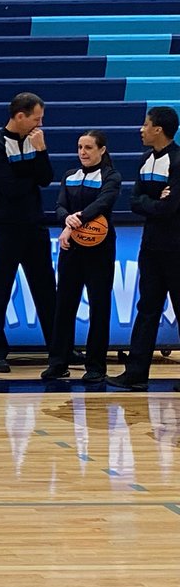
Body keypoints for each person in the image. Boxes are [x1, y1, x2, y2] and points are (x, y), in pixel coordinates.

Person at [0, 92, 56, 373]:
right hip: (5, 227)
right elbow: (9, 187)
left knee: (47, 289)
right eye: (36, 118)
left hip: (34, 225)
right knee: (0, 288)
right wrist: (31, 172)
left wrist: (41, 151)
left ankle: (58, 347)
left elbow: (46, 178)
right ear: (20, 116)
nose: (40, 123)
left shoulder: (35, 141)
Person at [107, 106, 180, 390]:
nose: (141, 129)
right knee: (146, 308)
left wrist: (151, 205)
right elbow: (134, 200)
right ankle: (136, 374)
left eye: (145, 124)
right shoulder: (145, 158)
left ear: (158, 129)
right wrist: (154, 204)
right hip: (150, 246)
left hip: (176, 247)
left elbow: (171, 207)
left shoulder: (178, 160)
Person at [41, 130, 121, 384]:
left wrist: (73, 223)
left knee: (99, 307)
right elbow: (60, 205)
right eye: (79, 147)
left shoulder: (112, 176)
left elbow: (102, 205)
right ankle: (58, 361)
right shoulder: (69, 176)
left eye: (88, 147)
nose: (83, 152)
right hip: (72, 251)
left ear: (102, 150)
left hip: (99, 251)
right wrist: (66, 218)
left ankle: (96, 365)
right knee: (64, 305)